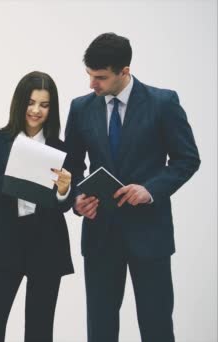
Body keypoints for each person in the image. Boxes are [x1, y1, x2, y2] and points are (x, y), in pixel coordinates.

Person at [64, 33, 201, 342]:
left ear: (124, 71)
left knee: (156, 327)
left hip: (149, 234)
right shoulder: (81, 108)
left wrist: (150, 189)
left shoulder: (163, 103)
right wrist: (76, 199)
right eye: (89, 75)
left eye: (100, 77)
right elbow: (70, 167)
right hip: (100, 234)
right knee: (100, 328)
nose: (91, 85)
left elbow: (187, 159)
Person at [0, 71, 75, 342]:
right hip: (3, 241)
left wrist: (64, 191)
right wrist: (8, 180)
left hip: (46, 244)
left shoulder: (60, 149)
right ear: (20, 103)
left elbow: (65, 204)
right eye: (31, 102)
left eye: (44, 104)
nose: (36, 110)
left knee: (40, 330)